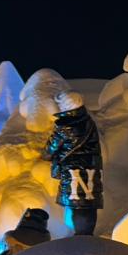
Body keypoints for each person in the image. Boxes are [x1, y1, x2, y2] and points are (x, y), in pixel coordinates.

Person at [42, 90, 103, 235]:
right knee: (88, 203)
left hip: (74, 169)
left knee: (78, 203)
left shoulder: (65, 126)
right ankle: (87, 234)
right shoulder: (87, 120)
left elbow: (50, 149)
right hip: (91, 167)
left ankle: (81, 237)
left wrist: (45, 155)